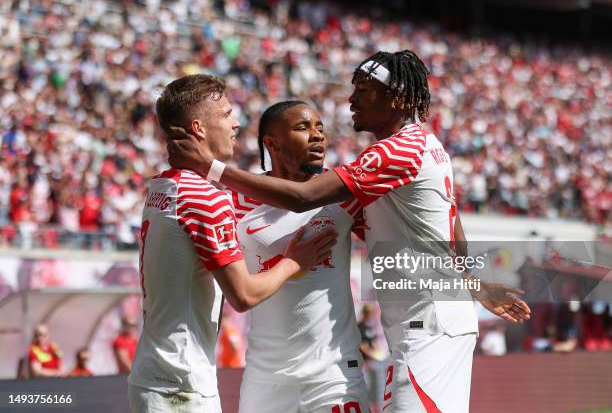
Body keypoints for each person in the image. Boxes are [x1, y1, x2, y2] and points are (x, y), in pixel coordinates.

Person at [168, 51, 531, 413]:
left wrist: (210, 167)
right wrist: (475, 285)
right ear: (271, 143)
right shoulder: (412, 152)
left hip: (387, 347)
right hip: (278, 372)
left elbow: (302, 198)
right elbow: (450, 231)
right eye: (302, 128)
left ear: (398, 96)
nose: (350, 99)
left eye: (363, 89)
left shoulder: (387, 161)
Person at [128, 74, 337, 413]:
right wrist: (294, 260)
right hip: (182, 385)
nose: (236, 123)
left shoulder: (162, 187)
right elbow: (244, 295)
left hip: (155, 374)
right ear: (198, 128)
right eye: (225, 114)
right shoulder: (204, 197)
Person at [231, 101, 368, 413]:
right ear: (271, 143)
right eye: (303, 127)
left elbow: (402, 239)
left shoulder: (343, 194)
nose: (317, 136)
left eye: (320, 127)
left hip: (333, 375)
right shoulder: (236, 200)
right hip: (265, 379)